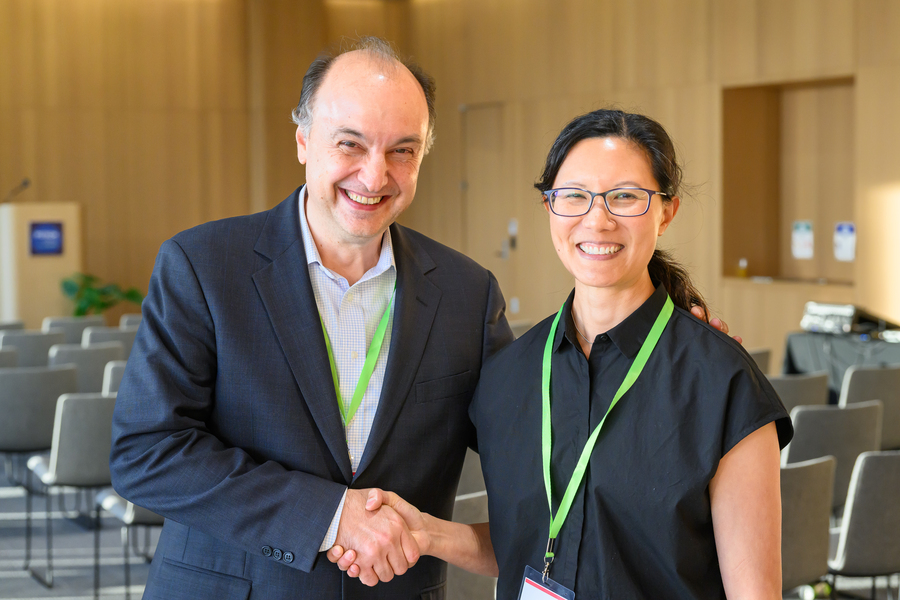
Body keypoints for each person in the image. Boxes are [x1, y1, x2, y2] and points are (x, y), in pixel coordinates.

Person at [109, 38, 514, 599]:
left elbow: (531, 455)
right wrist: (329, 516)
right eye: (350, 144)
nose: (374, 176)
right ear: (303, 141)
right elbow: (147, 453)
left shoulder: (468, 293)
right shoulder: (203, 265)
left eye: (402, 150)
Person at [330, 109, 792, 599]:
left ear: (666, 211)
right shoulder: (509, 375)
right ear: (549, 206)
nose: (598, 219)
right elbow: (530, 543)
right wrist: (428, 534)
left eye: (625, 197)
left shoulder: (722, 381)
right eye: (574, 196)